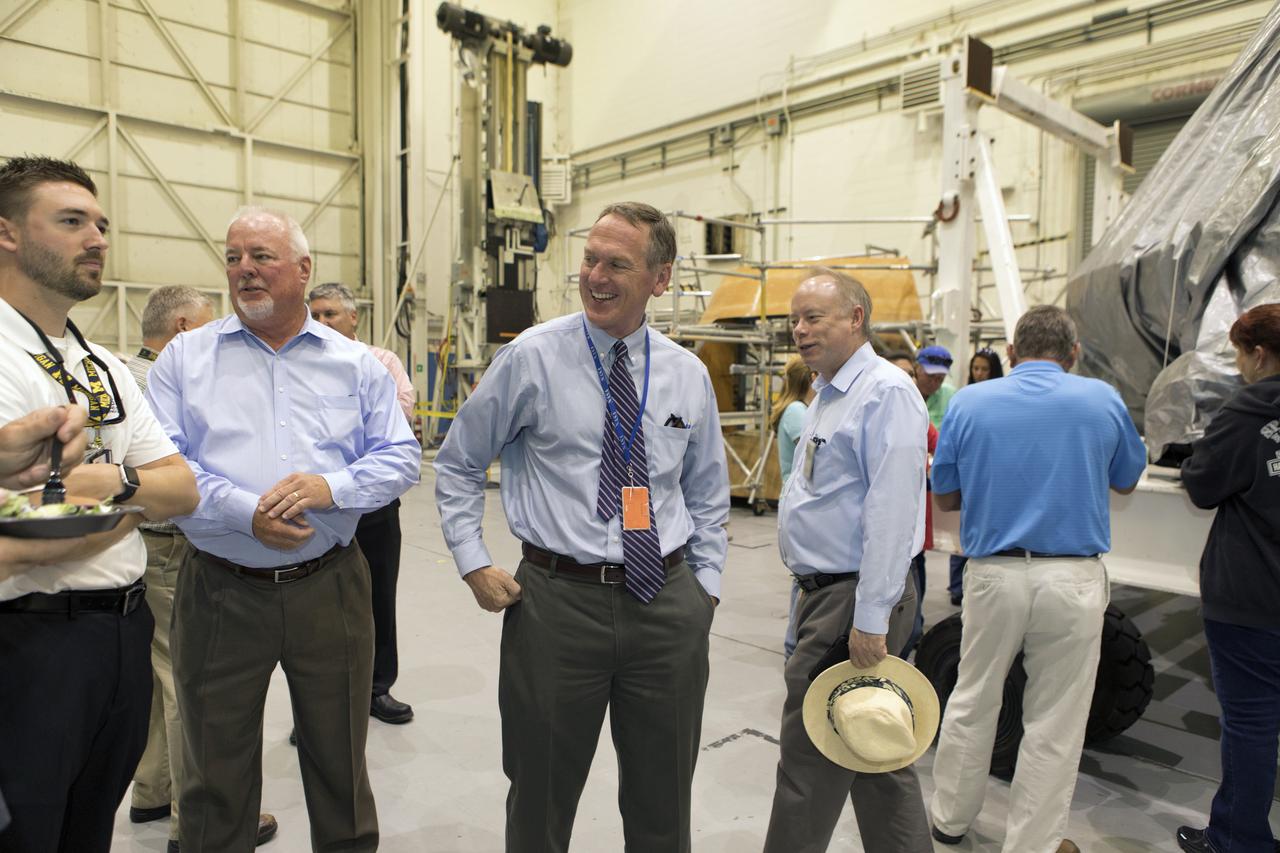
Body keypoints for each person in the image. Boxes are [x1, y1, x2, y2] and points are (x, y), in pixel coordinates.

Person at [434, 201, 729, 853]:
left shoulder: (685, 372)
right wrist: (472, 558)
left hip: (667, 600)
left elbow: (707, 490)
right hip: (557, 604)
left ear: (660, 277)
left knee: (663, 798)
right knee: (540, 794)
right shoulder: (531, 358)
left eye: (616, 263)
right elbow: (456, 462)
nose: (595, 276)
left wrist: (703, 587)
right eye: (590, 260)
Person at [145, 206, 421, 853]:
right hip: (218, 586)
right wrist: (247, 511)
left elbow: (400, 455)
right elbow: (162, 463)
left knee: (339, 765)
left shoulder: (355, 365)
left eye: (262, 256)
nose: (245, 269)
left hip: (328, 585)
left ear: (303, 269)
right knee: (214, 769)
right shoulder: (186, 359)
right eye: (234, 255)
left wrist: (333, 487)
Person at [0, 155, 199, 853]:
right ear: (7, 234)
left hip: (120, 633)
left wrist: (109, 489)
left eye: (102, 224)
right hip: (30, 639)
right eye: (72, 221)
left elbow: (181, 487)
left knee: (89, 831)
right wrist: (122, 510)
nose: (98, 238)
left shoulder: (101, 364)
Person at [928, 304, 1146, 853]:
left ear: (1010, 353)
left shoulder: (970, 402)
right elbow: (1125, 481)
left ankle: (949, 822)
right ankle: (1032, 845)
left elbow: (946, 496)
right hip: (1071, 578)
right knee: (1055, 717)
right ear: (1073, 354)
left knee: (973, 697)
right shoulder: (1101, 399)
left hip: (994, 574)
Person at [763, 269, 931, 853]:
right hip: (824, 593)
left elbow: (892, 513)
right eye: (795, 320)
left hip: (852, 597)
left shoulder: (884, 392)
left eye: (813, 317)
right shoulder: (828, 393)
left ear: (855, 318)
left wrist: (871, 618)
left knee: (809, 755)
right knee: (874, 749)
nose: (799, 330)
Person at [124, 286, 280, 852]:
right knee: (184, 683)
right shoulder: (162, 385)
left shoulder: (120, 375)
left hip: (137, 548)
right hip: (169, 546)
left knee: (155, 670)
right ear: (186, 328)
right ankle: (191, 820)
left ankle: (150, 790)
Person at [1176, 303, 1280, 853]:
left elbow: (1202, 483)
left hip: (1252, 597)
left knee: (1251, 726)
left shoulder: (1251, 407)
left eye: (1240, 355)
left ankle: (1239, 840)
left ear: (1258, 354)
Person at [308, 281, 416, 724]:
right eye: (315, 315)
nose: (321, 322)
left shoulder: (382, 361)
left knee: (377, 598)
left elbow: (401, 415)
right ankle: (317, 706)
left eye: (330, 314)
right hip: (317, 505)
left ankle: (376, 688)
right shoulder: (301, 363)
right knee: (314, 609)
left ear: (354, 317)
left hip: (372, 505)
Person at [887, 351, 937, 659]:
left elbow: (937, 447)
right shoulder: (870, 414)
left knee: (912, 624)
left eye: (909, 373)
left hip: (913, 542)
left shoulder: (917, 414)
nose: (904, 379)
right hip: (884, 543)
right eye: (898, 373)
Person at [946, 347, 1005, 606]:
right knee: (962, 538)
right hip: (970, 478)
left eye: (984, 369)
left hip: (990, 479)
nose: (979, 373)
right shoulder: (963, 400)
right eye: (975, 368)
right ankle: (958, 588)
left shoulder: (1002, 400)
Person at [770, 354, 814, 483]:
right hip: (798, 494)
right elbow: (812, 455)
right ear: (810, 379)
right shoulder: (795, 410)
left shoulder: (804, 408)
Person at [914, 344, 956, 429]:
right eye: (930, 376)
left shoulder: (951, 396)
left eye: (940, 379)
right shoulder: (904, 393)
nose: (933, 383)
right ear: (917, 368)